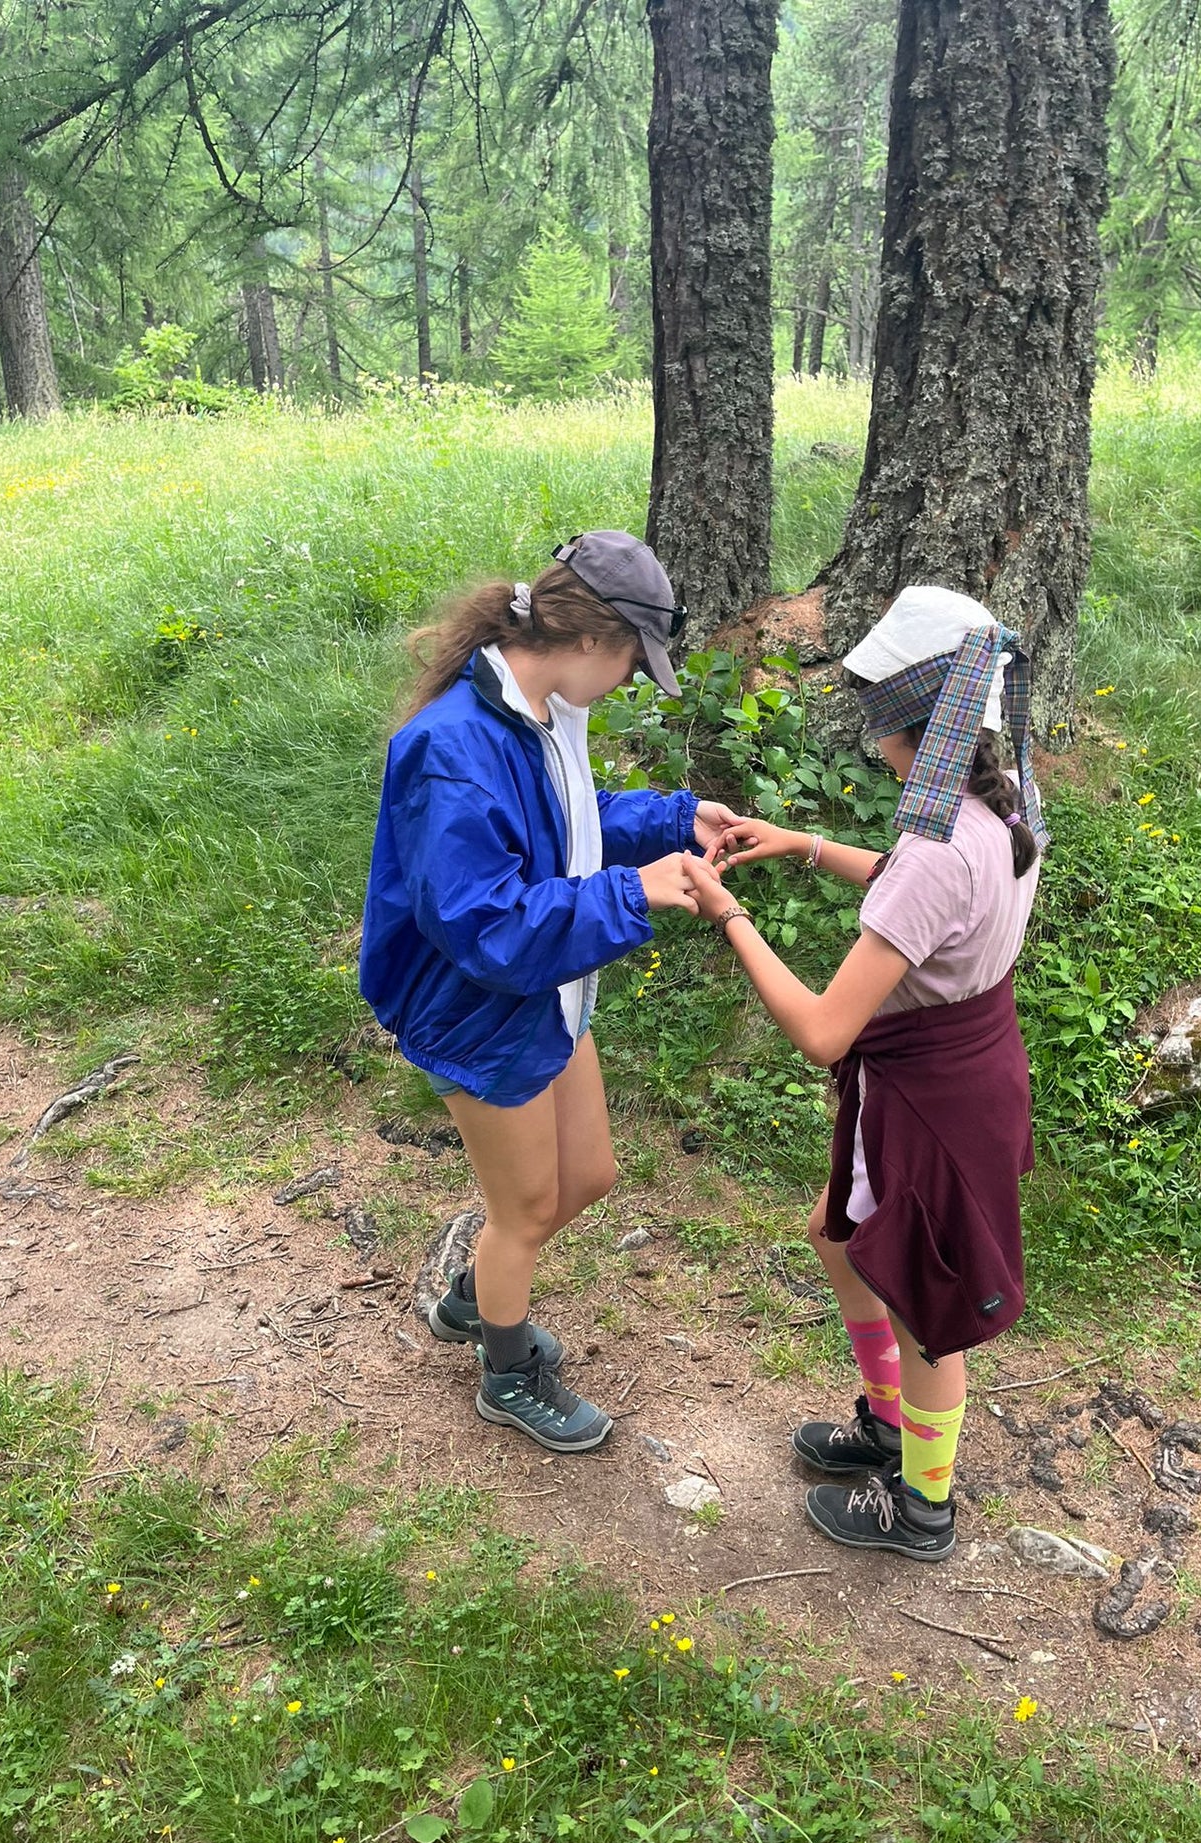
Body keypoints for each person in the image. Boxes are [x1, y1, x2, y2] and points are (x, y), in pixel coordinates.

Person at [682, 585, 1046, 1560]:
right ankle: (888, 1427)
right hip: (967, 1074)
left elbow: (821, 1030)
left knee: (928, 1313)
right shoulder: (999, 801)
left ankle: (920, 1505)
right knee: (837, 1233)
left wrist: (727, 914)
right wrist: (801, 843)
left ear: (900, 721)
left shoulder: (936, 849)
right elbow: (918, 883)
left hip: (928, 1102)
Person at [359, 531, 737, 1453]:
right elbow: (482, 925)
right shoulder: (453, 746)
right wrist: (631, 893)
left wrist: (675, 818)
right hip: (477, 1009)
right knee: (525, 1209)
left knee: (588, 1176)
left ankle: (479, 1293)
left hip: (546, 989)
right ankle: (506, 1372)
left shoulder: (539, 711)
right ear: (590, 639)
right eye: (633, 664)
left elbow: (566, 820)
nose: (629, 682)